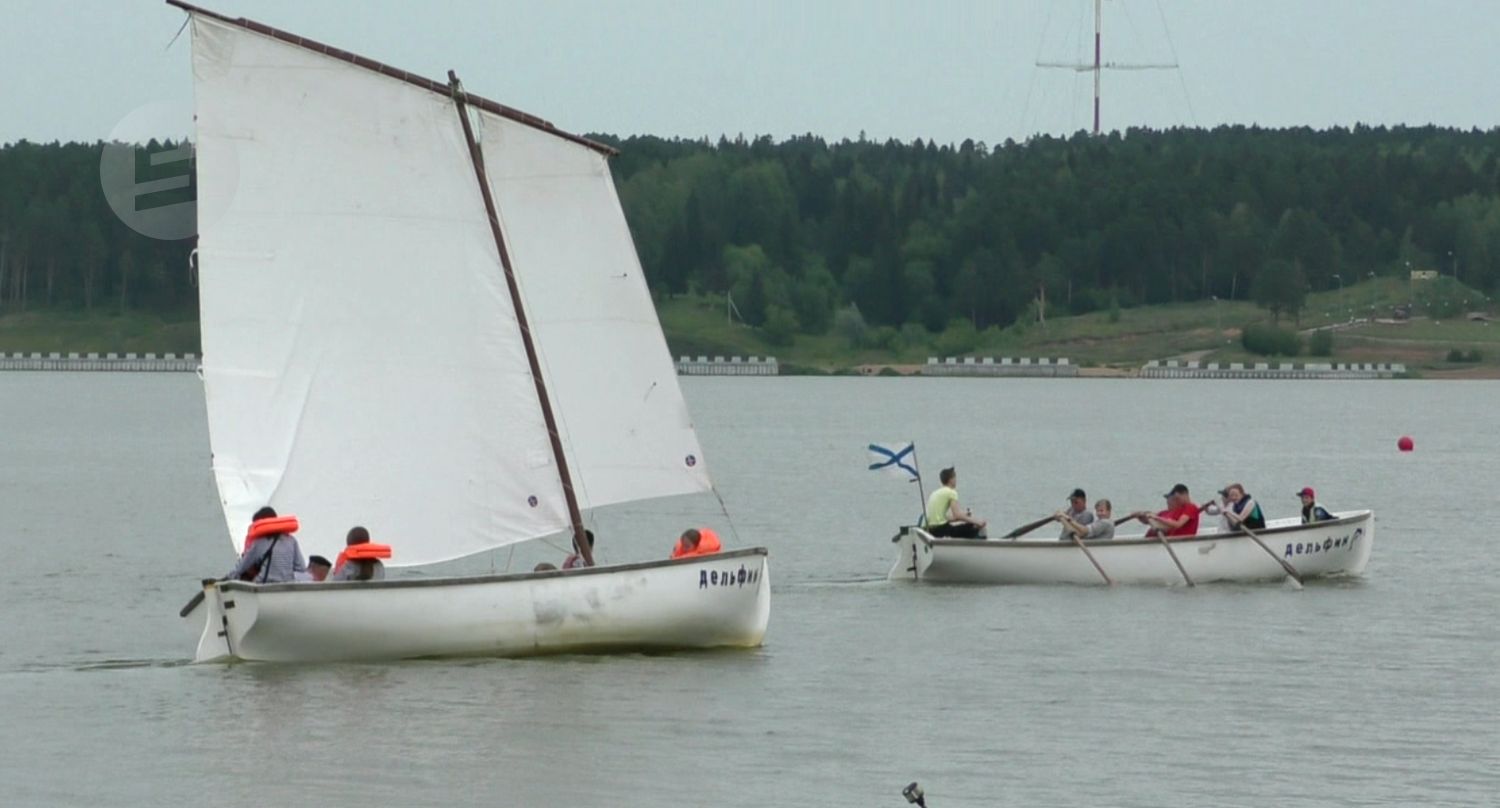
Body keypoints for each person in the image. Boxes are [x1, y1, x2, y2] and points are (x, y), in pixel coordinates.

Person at [224, 506, 307, 583]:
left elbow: (241, 567)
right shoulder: (291, 540)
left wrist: (226, 578)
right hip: (288, 585)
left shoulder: (260, 543)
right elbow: (302, 568)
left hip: (264, 585)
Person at [924, 467, 987, 539]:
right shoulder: (951, 492)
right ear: (951, 480)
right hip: (942, 530)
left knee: (964, 526)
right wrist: (977, 522)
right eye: (955, 478)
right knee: (974, 527)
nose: (956, 480)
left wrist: (964, 515)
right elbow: (957, 515)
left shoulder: (934, 493)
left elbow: (943, 518)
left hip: (932, 530)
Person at [1134, 483, 1200, 538]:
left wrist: (1156, 518)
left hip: (1178, 542)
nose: (1168, 501)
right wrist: (1140, 516)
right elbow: (1150, 521)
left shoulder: (1190, 507)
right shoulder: (1165, 512)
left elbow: (1178, 524)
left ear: (1185, 494)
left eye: (1177, 498)